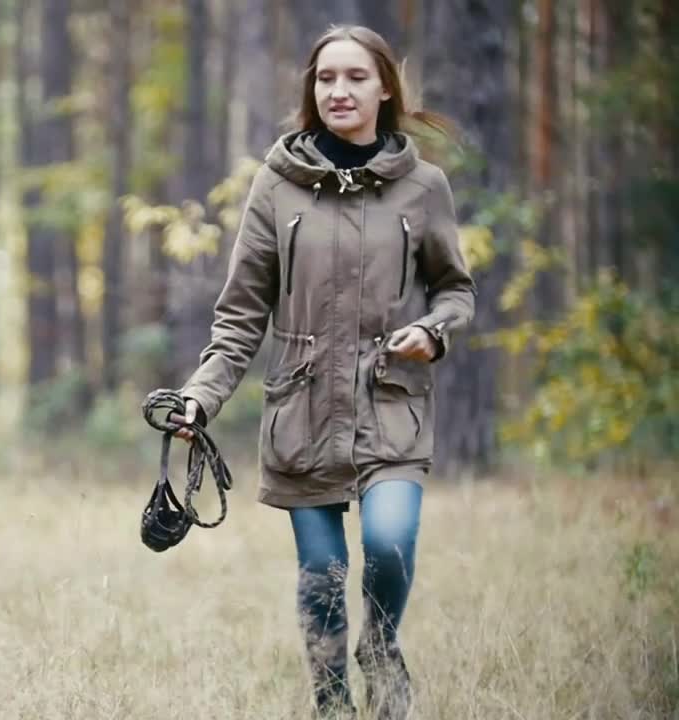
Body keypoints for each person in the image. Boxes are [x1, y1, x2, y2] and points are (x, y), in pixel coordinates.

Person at [171, 24, 477, 720]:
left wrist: (433, 331)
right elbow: (240, 314)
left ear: (386, 88)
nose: (339, 90)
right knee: (322, 575)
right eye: (326, 78)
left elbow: (456, 289)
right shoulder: (275, 187)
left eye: (356, 77)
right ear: (312, 91)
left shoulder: (424, 188)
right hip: (302, 414)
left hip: (391, 404)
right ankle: (332, 698)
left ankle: (382, 649)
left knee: (390, 545)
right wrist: (199, 398)